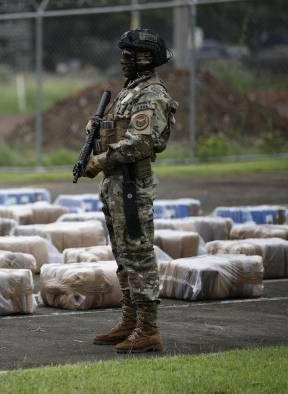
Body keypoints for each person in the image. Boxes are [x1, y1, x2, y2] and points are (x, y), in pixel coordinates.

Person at [80, 29, 178, 353]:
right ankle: (130, 320)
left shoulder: (151, 94)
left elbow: (142, 142)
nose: (123, 60)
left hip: (132, 186)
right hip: (116, 186)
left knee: (138, 255)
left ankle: (148, 329)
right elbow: (120, 130)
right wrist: (97, 134)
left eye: (129, 55)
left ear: (145, 58)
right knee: (123, 256)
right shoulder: (130, 91)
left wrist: (101, 160)